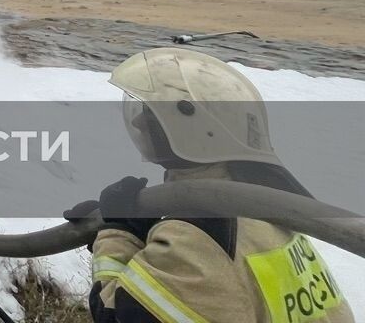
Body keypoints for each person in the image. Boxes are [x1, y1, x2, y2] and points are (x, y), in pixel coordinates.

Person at [75, 47, 354, 322]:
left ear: (190, 130)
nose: (137, 120)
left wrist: (117, 233)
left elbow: (115, 315)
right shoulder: (269, 211)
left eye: (150, 114)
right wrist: (149, 232)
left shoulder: (200, 235)